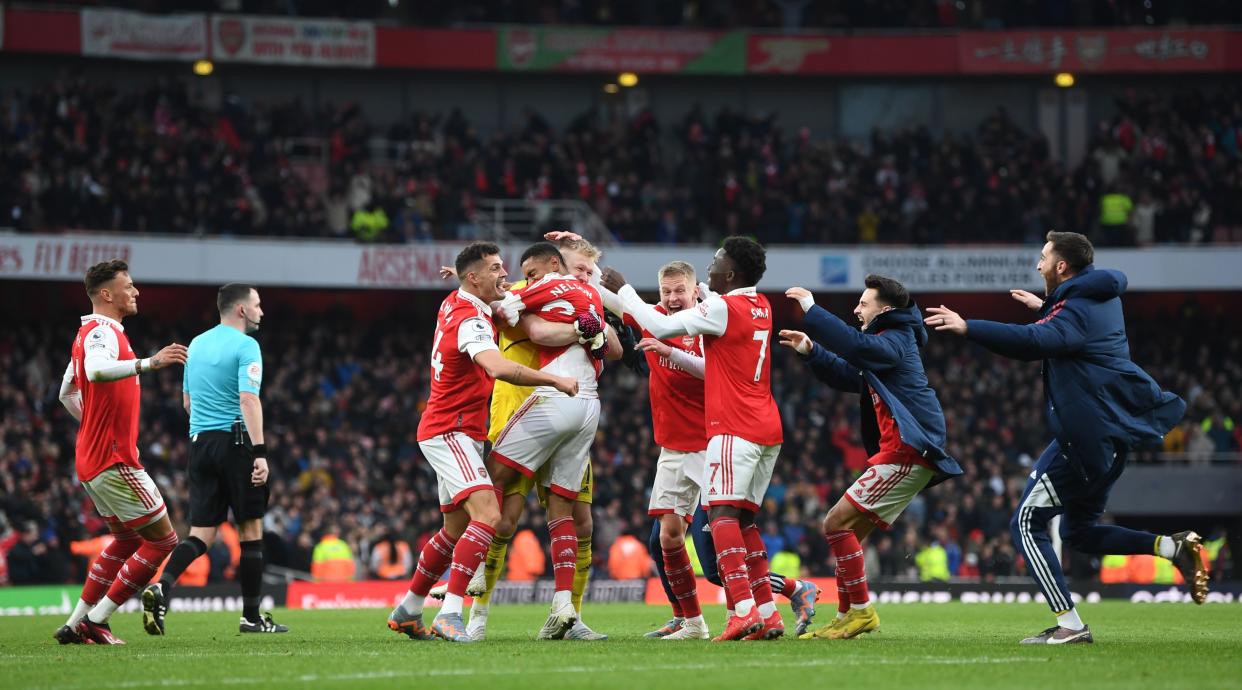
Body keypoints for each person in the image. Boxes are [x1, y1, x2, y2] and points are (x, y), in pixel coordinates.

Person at [925, 230, 1207, 644]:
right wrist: (1045, 306)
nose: (1037, 265)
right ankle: (1171, 547)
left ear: (1062, 266)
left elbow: (1037, 340)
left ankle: (1071, 626)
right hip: (1101, 439)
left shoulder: (1077, 307)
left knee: (1025, 521)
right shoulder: (1096, 299)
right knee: (1078, 533)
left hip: (1086, 441)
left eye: (1043, 258)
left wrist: (970, 327)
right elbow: (1072, 331)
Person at [387, 241, 579, 643]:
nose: (504, 274)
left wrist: (466, 278)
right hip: (450, 430)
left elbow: (496, 297)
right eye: (495, 268)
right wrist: (554, 380)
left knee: (454, 530)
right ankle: (451, 612)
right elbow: (496, 366)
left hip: (458, 429)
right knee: (489, 515)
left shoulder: (457, 301)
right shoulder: (471, 319)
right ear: (473, 277)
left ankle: (408, 609)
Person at [601, 236, 784, 642]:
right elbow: (706, 358)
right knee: (744, 522)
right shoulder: (761, 305)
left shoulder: (720, 307)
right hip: (765, 424)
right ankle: (767, 615)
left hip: (732, 427)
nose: (710, 268)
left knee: (721, 519)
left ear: (731, 273)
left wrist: (626, 289)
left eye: (717, 261)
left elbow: (663, 326)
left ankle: (742, 613)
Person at [627, 260, 819, 640]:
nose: (672, 298)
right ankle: (689, 619)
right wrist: (584, 272)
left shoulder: (704, 324)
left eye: (679, 290)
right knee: (662, 539)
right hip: (679, 447)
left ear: (696, 289)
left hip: (712, 446)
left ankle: (786, 592)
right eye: (666, 292)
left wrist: (670, 351)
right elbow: (622, 308)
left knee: (715, 559)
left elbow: (712, 369)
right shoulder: (662, 316)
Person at [445, 234, 616, 642]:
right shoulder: (527, 288)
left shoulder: (582, 292)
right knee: (502, 518)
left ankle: (569, 614)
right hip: (523, 403)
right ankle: (476, 615)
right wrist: (581, 327)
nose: (581, 275)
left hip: (564, 399)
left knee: (578, 516)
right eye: (577, 268)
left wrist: (593, 325)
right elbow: (531, 324)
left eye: (584, 270)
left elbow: (614, 348)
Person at [778, 275, 961, 640]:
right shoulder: (886, 343)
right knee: (846, 533)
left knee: (834, 524)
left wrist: (813, 311)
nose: (856, 309)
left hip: (908, 450)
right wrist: (811, 350)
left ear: (885, 309)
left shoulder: (896, 339)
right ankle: (847, 615)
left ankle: (861, 612)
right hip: (900, 451)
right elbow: (850, 374)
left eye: (863, 303)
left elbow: (855, 347)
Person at [54, 259, 186, 646]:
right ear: (107, 295)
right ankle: (97, 620)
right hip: (113, 458)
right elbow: (95, 371)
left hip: (92, 457)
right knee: (164, 542)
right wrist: (150, 363)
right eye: (128, 286)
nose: (136, 291)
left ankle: (75, 623)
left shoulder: (84, 334)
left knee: (127, 540)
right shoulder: (101, 332)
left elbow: (67, 393)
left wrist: (95, 427)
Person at [146, 283, 288, 634]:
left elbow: (187, 404)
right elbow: (249, 400)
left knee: (202, 535)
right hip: (236, 442)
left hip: (200, 444)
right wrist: (260, 453)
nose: (262, 311)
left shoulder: (196, 344)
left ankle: (162, 586)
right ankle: (251, 618)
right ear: (241, 309)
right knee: (250, 528)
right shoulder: (246, 346)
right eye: (257, 304)